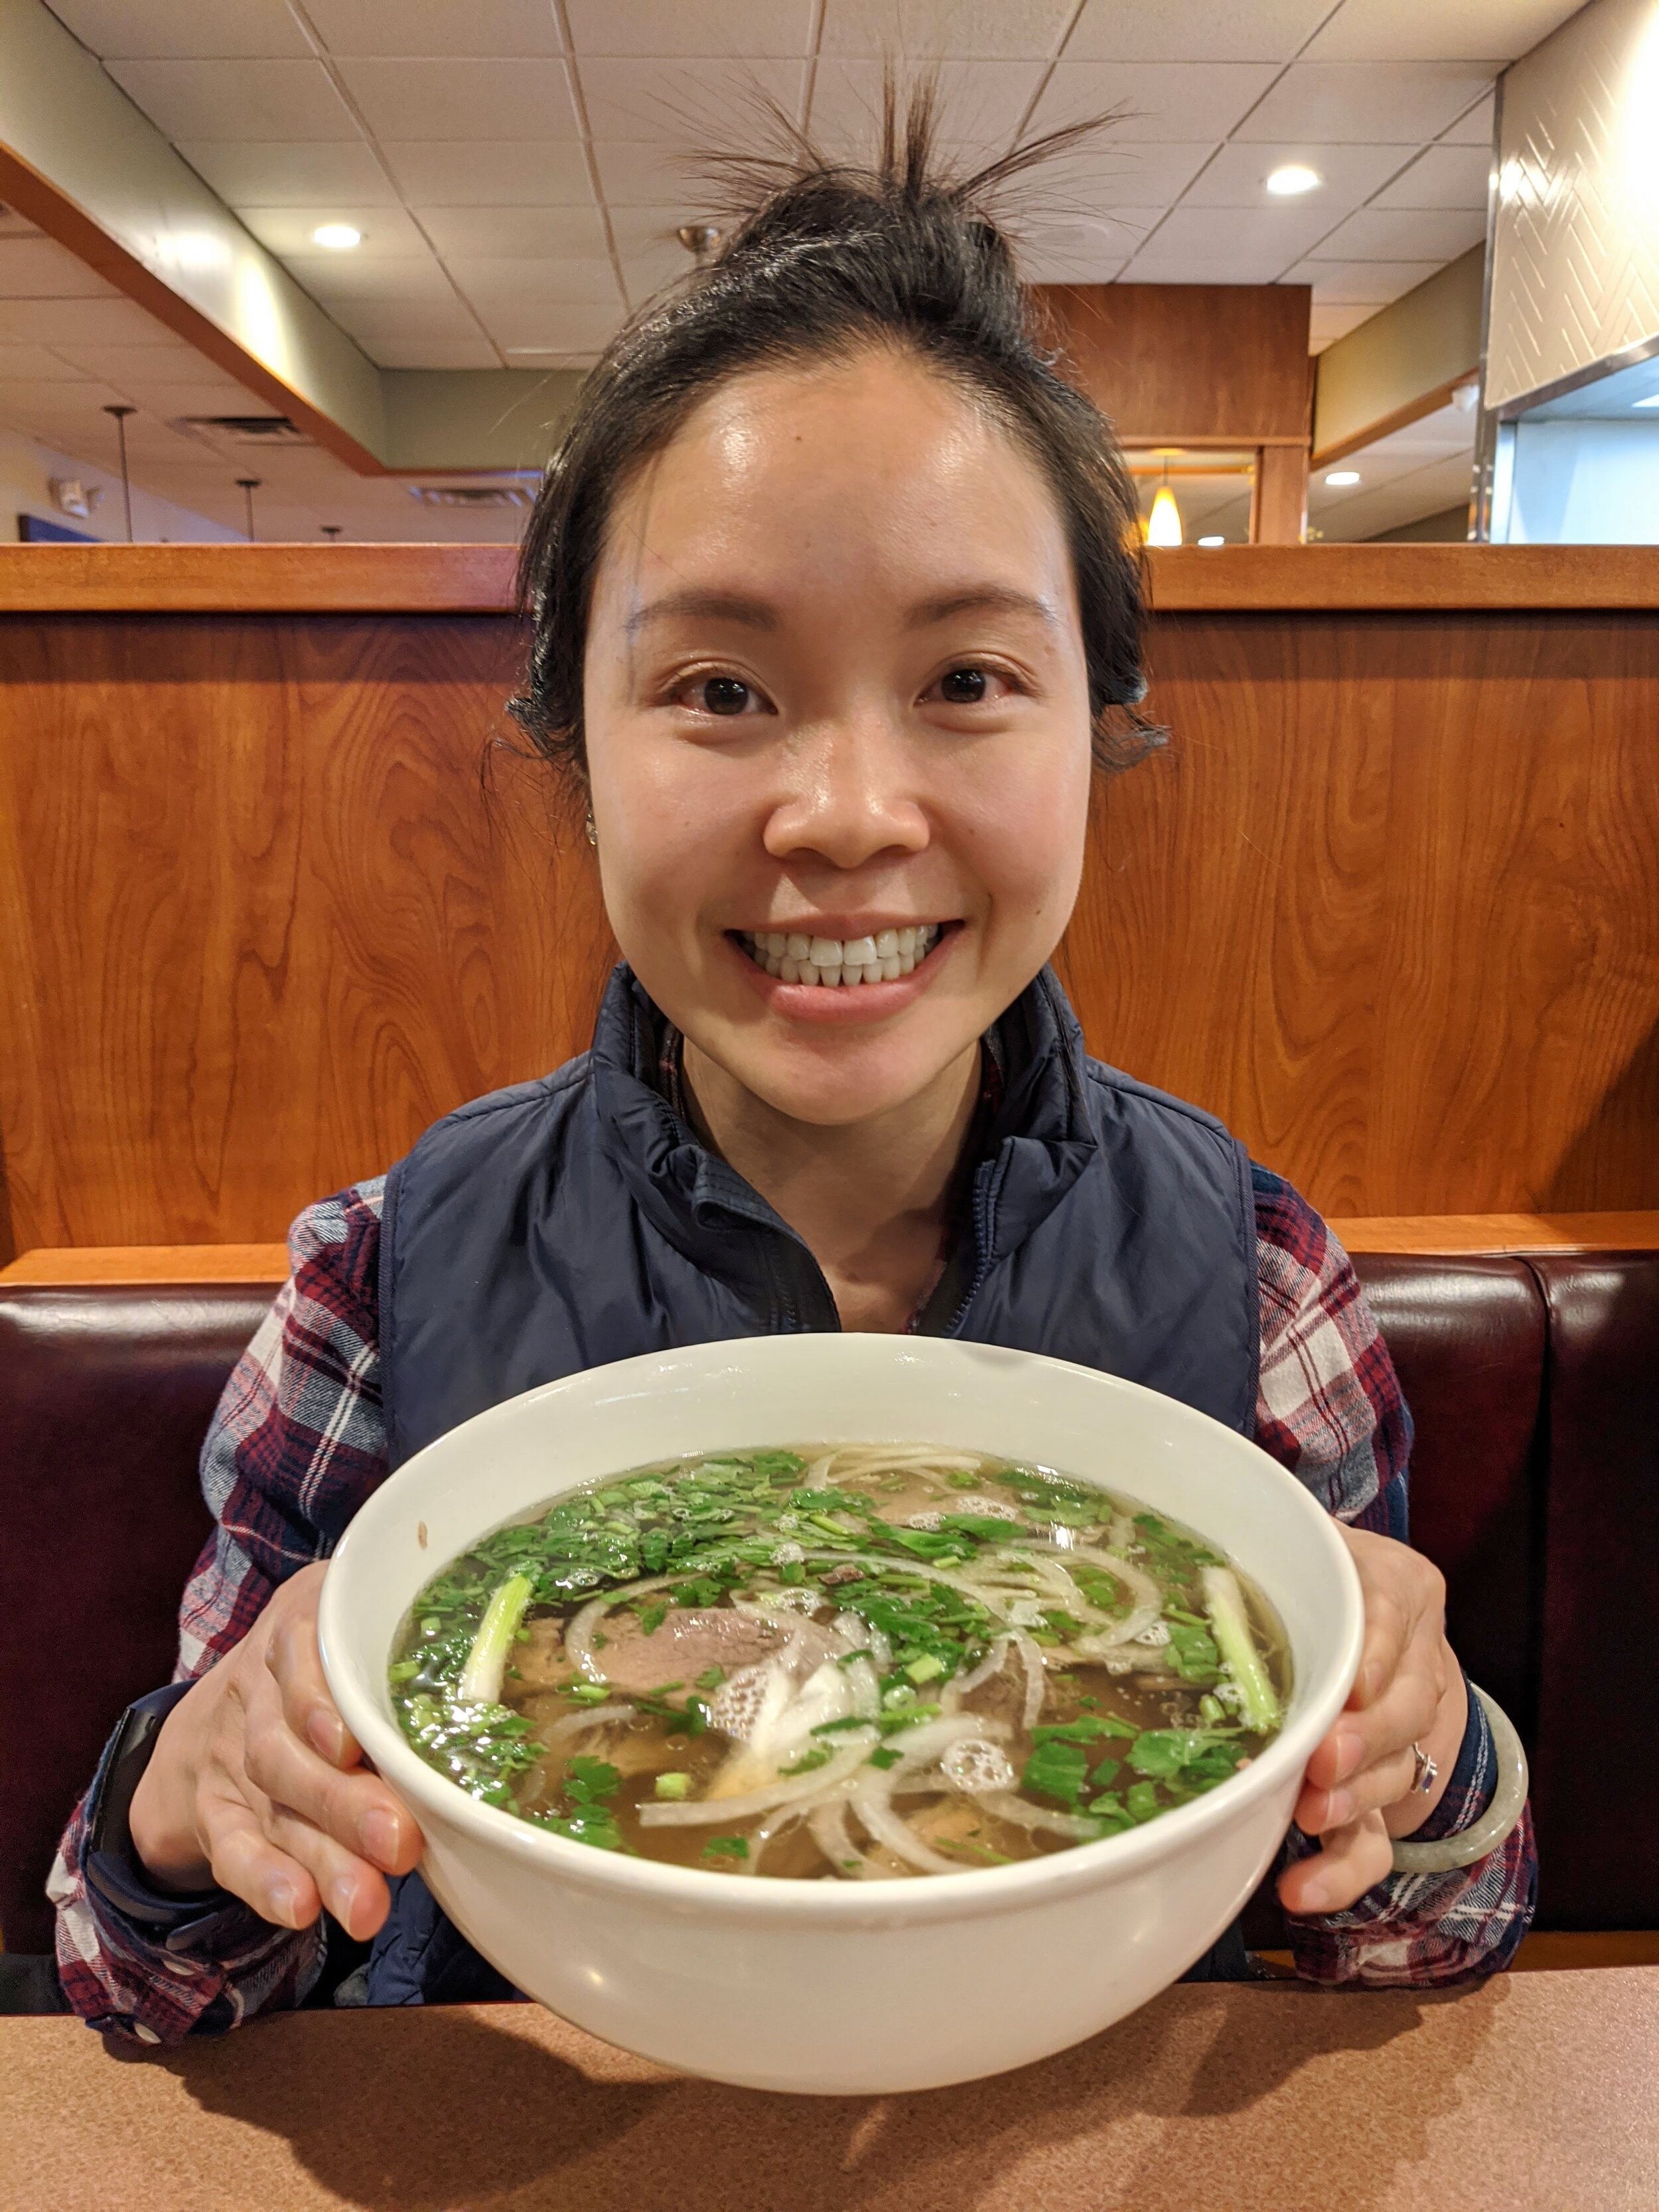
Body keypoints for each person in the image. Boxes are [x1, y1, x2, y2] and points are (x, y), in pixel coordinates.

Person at [52, 98, 1535, 2043]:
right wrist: (195, 1804)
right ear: (573, 755)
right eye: (721, 691)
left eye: (967, 682)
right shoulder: (378, 1282)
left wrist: (1429, 1767)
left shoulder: (1250, 1278)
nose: (844, 814)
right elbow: (150, 1977)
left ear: (1100, 730)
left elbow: (1411, 1940)